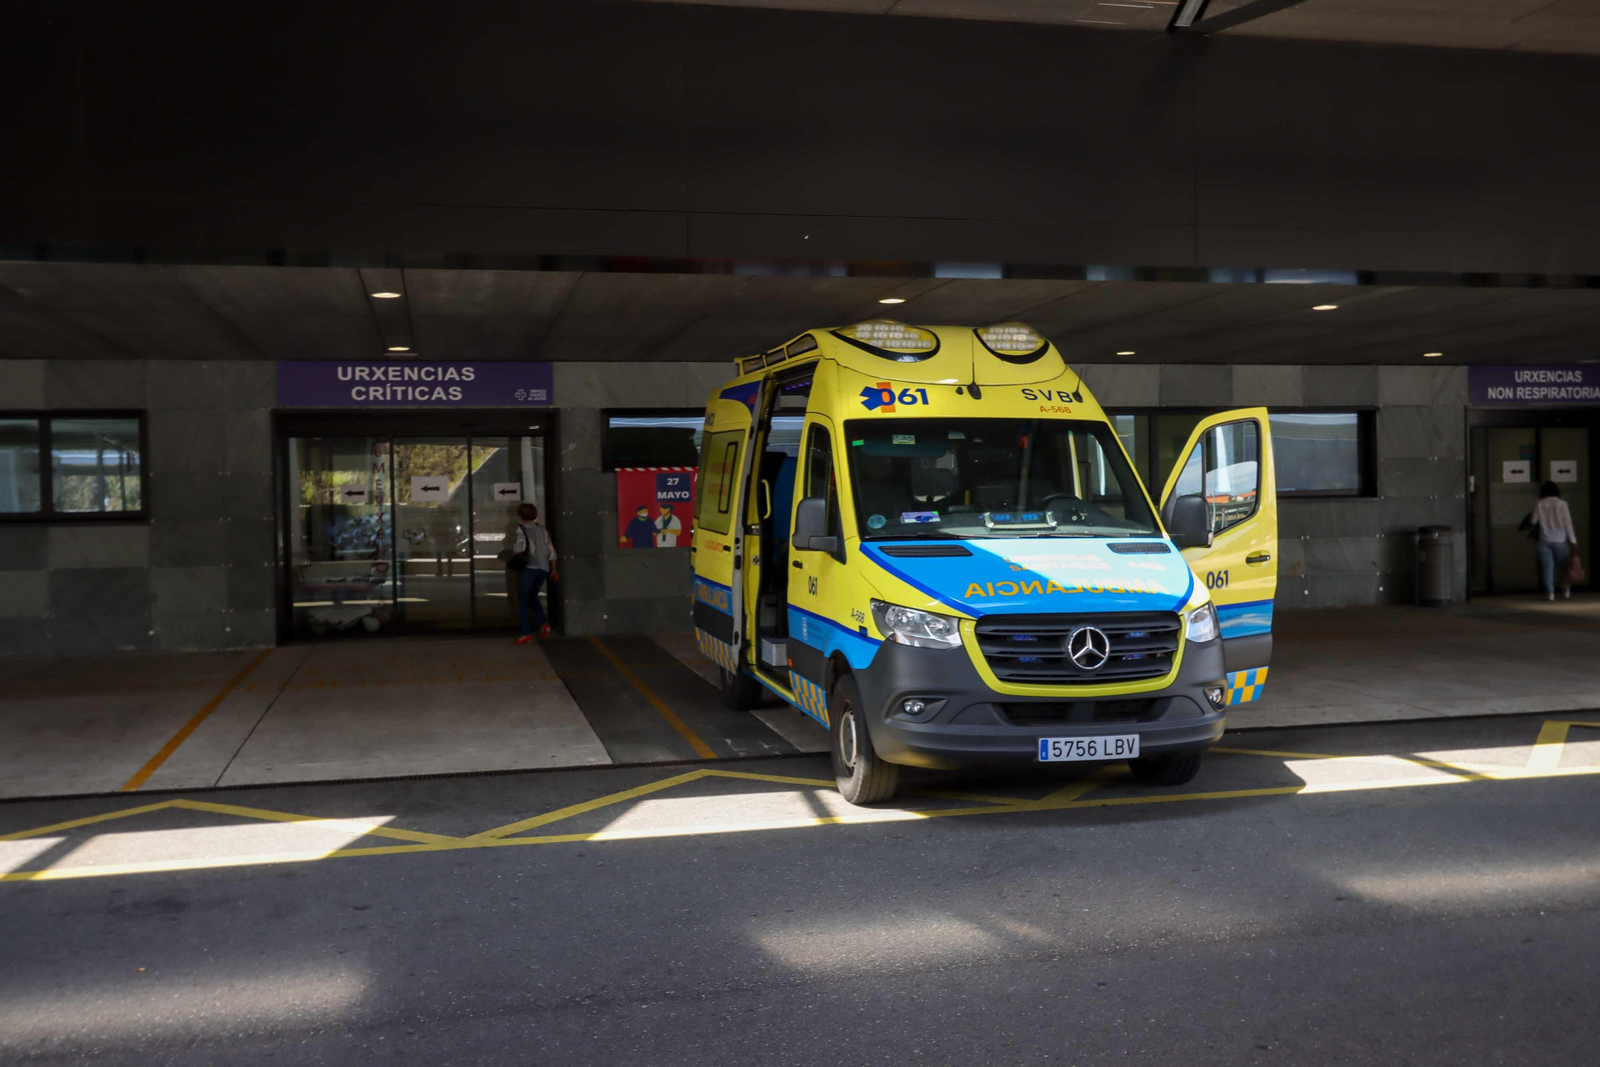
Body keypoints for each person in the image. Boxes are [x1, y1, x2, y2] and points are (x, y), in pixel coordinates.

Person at [500, 502, 559, 641]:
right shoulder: (542, 529)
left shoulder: (521, 529)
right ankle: (544, 624)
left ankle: (526, 634)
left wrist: (512, 554)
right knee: (532, 597)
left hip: (529, 569)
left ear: (520, 515)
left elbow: (519, 549)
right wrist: (554, 570)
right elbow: (551, 551)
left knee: (523, 601)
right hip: (543, 570)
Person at [1532, 481, 1579, 601]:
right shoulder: (1563, 504)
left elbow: (1533, 521)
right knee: (1563, 567)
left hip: (1544, 541)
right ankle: (1566, 590)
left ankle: (1550, 593)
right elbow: (1568, 524)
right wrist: (1573, 540)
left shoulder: (1539, 503)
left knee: (1547, 567)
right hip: (1560, 540)